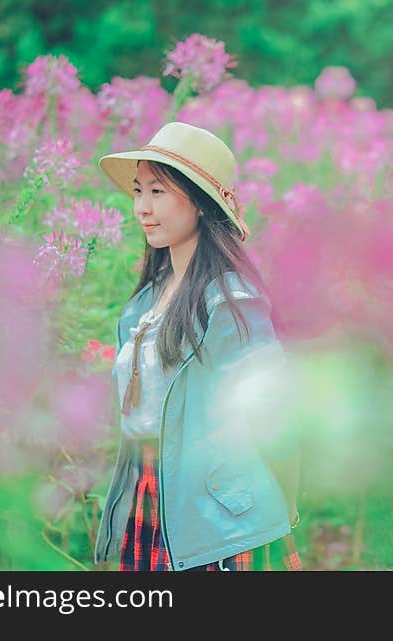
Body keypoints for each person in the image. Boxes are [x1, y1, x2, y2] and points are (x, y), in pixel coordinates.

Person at [94, 121, 302, 571]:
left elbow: (276, 415)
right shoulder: (145, 302)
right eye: (138, 190)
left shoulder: (232, 301)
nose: (142, 208)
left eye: (159, 192)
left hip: (220, 520)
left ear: (202, 204)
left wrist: (272, 506)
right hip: (152, 500)